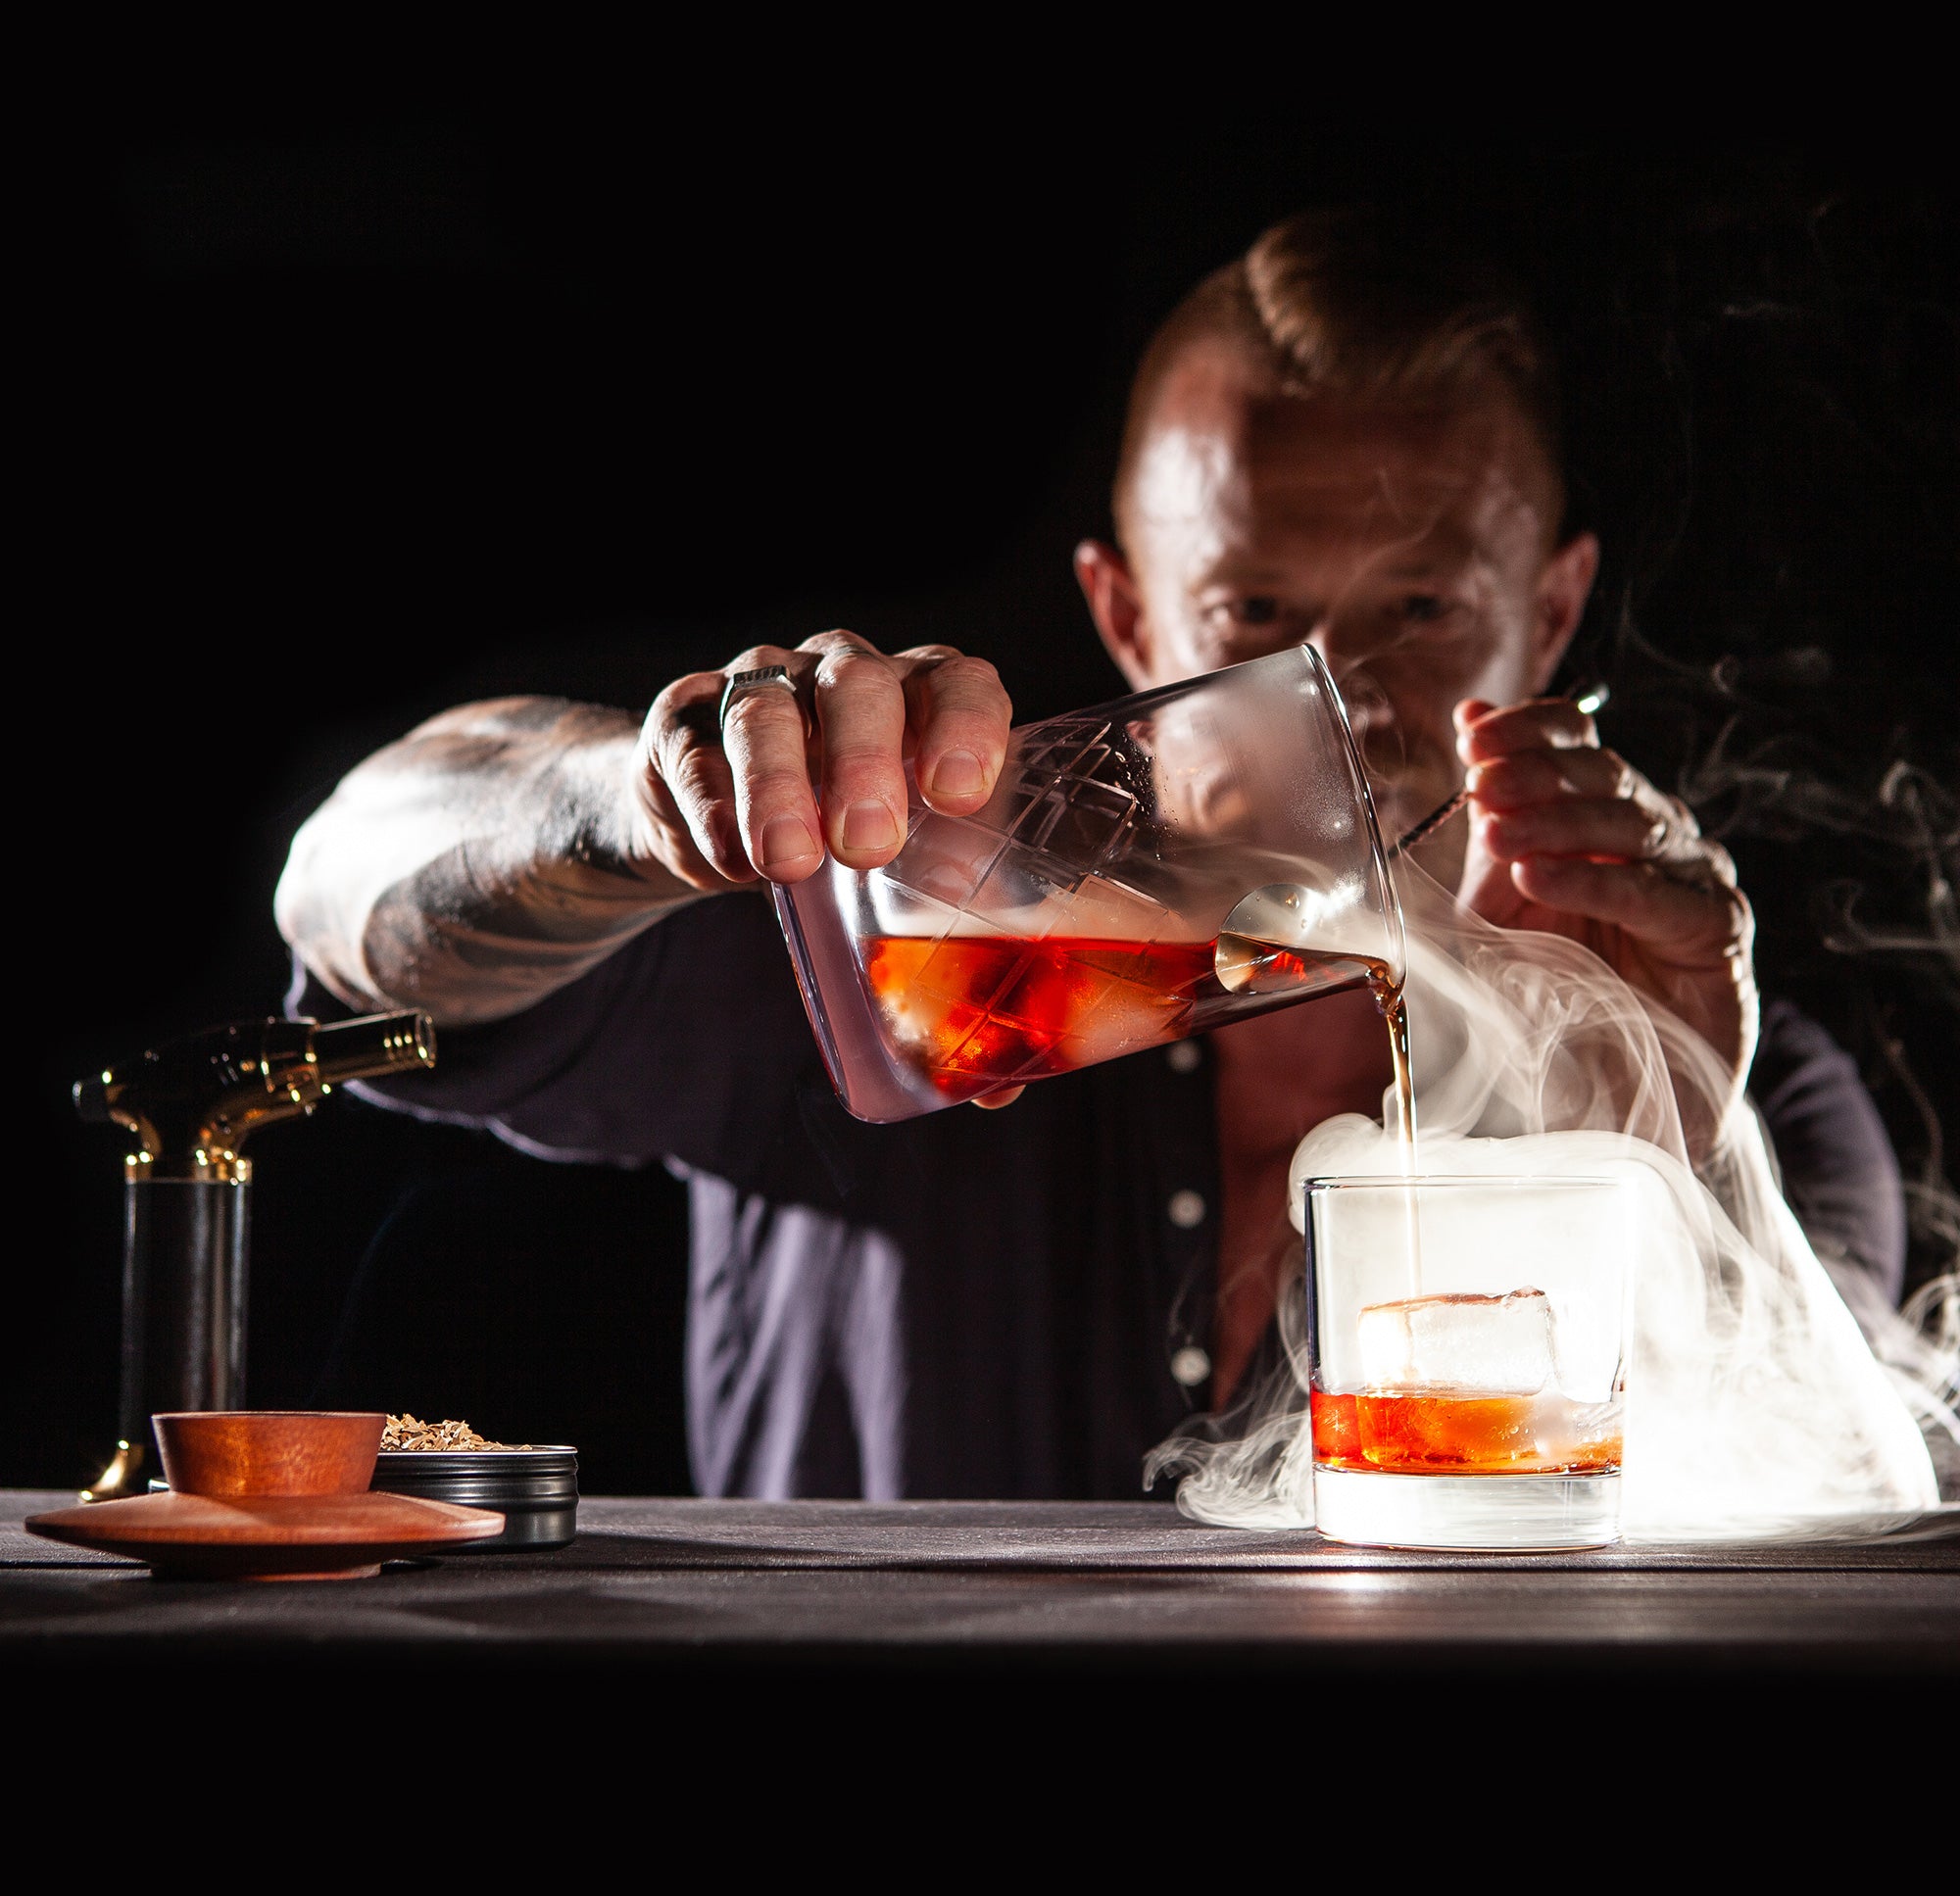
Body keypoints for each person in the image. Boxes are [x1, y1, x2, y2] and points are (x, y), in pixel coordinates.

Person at [276, 209, 1908, 1497]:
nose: (1339, 697)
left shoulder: (1742, 1071)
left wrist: (1675, 1165)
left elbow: (1847, 1541)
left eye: (1423, 608)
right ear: (1127, 615)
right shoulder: (891, 933)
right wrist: (645, 801)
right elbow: (344, 897)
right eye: (1258, 613)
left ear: (1548, 612)